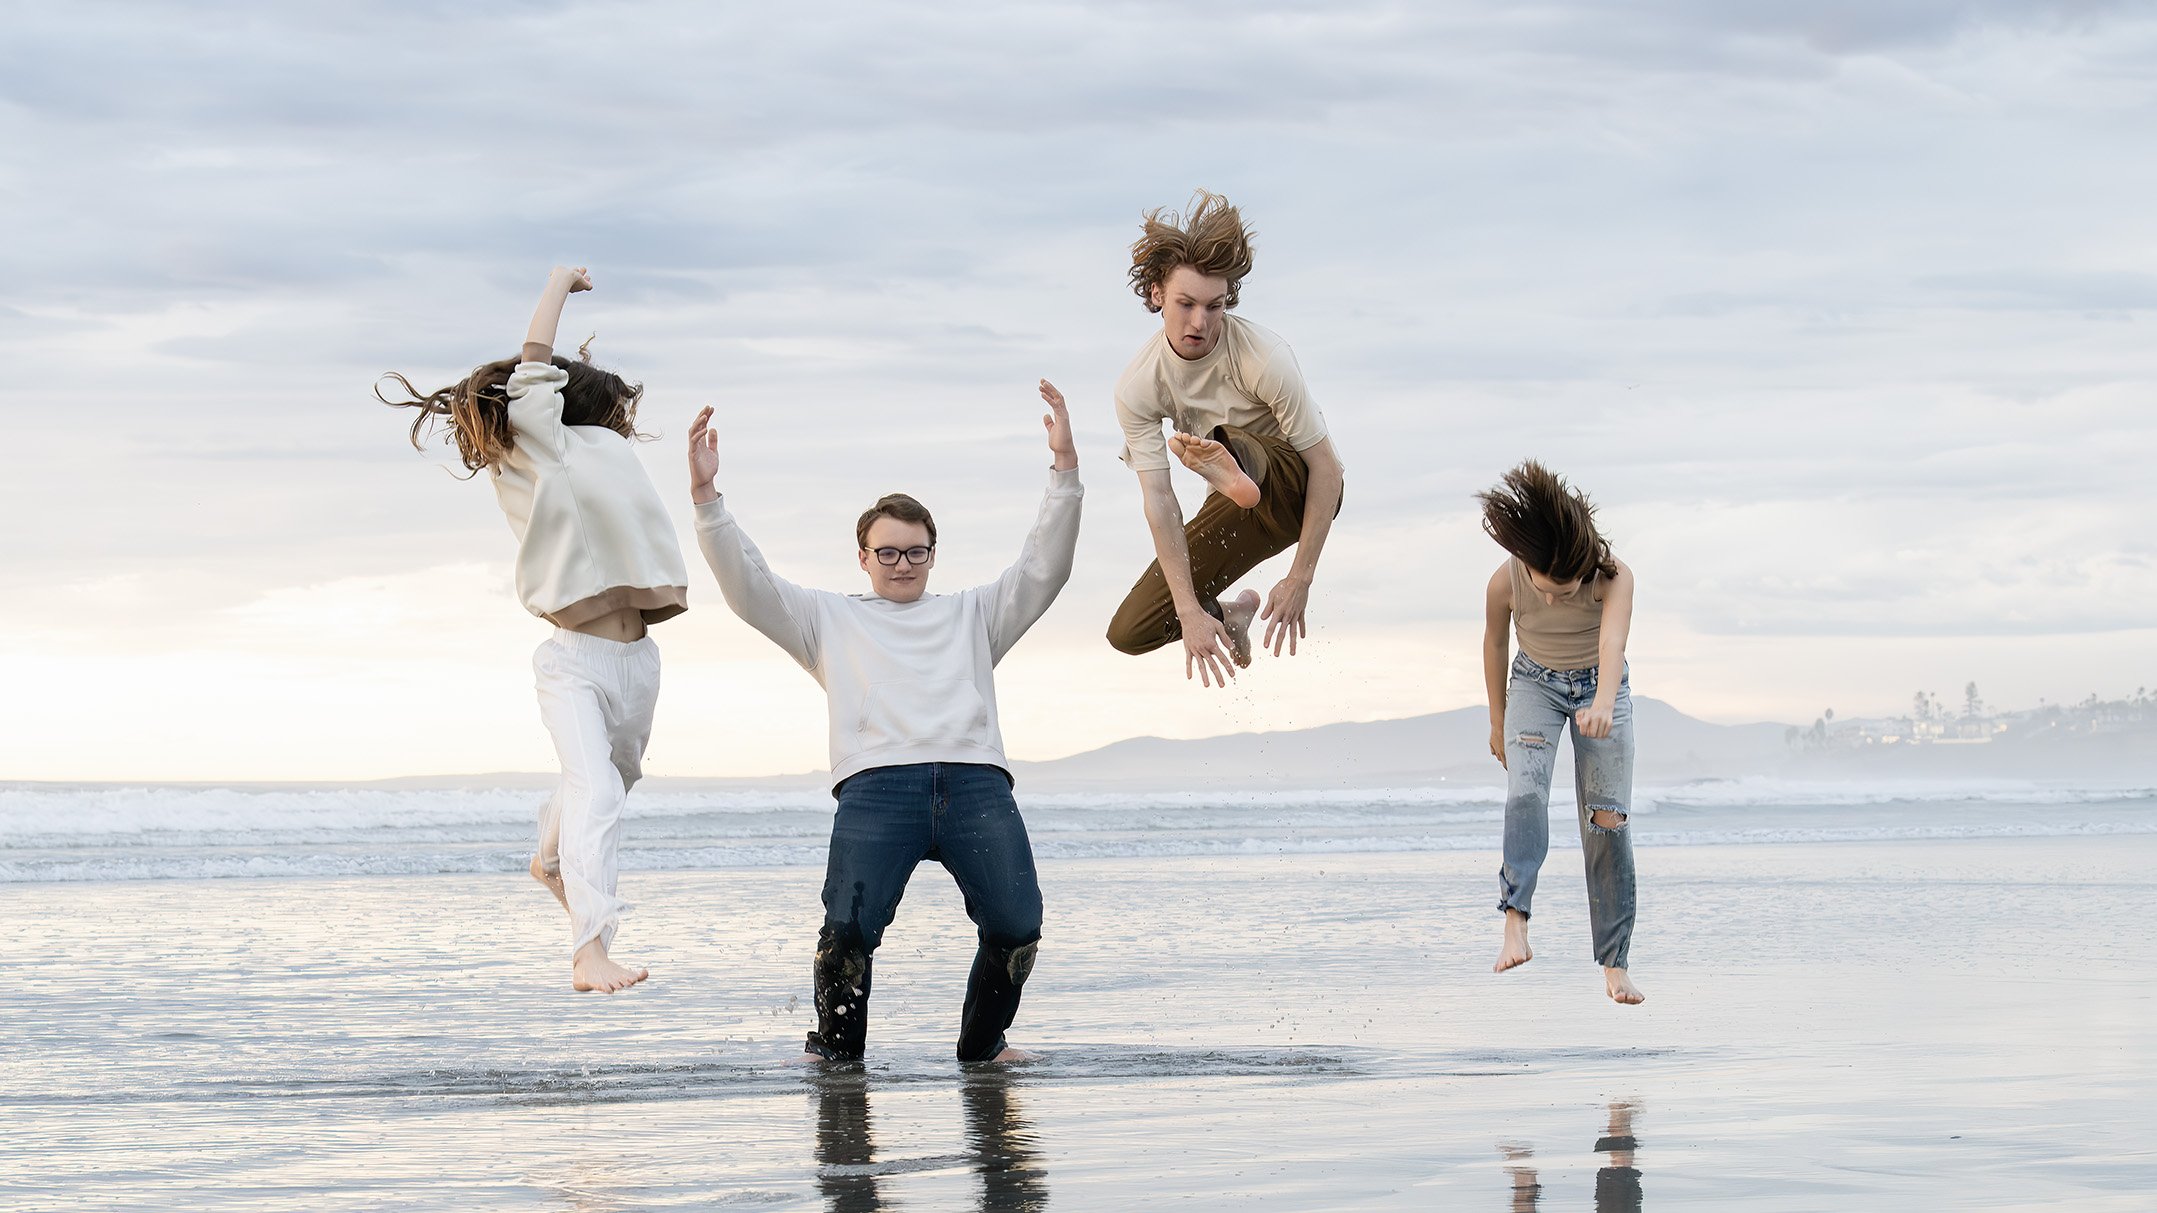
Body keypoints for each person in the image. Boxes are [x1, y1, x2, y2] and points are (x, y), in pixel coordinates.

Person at [687, 382, 1082, 1062]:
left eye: (916, 551)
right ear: (863, 556)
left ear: (933, 553)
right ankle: (835, 1053)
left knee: (1018, 926)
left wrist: (1064, 471)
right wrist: (705, 502)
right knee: (846, 931)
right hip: (876, 789)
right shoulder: (827, 618)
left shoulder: (974, 614)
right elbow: (749, 585)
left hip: (975, 785)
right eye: (889, 552)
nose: (903, 564)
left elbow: (1044, 566)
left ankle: (983, 1047)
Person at [380, 265, 686, 994]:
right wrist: (558, 284)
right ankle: (589, 947)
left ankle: (549, 858)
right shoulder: (542, 444)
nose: (619, 423)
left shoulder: (594, 458)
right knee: (597, 791)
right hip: (573, 660)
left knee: (612, 782)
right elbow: (534, 363)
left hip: (638, 659)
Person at [1104, 190, 1346, 687]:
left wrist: (1300, 576)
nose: (1200, 322)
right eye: (1186, 304)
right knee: (1131, 629)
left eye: (1214, 306)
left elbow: (1329, 468)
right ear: (1156, 295)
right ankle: (1230, 610)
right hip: (1239, 507)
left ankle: (1233, 464)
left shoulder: (1262, 356)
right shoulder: (1139, 386)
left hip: (1295, 489)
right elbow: (1160, 501)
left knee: (1230, 441)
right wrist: (1192, 612)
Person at [1478, 460, 1645, 1005]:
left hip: (1602, 685)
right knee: (1525, 794)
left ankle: (1615, 963)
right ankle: (1515, 922)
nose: (1551, 599)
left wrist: (1600, 704)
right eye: (1543, 589)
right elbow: (1496, 645)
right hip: (1534, 685)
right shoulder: (1507, 581)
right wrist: (1498, 721)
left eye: (1563, 589)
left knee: (1607, 822)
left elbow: (1612, 647)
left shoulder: (1614, 577)